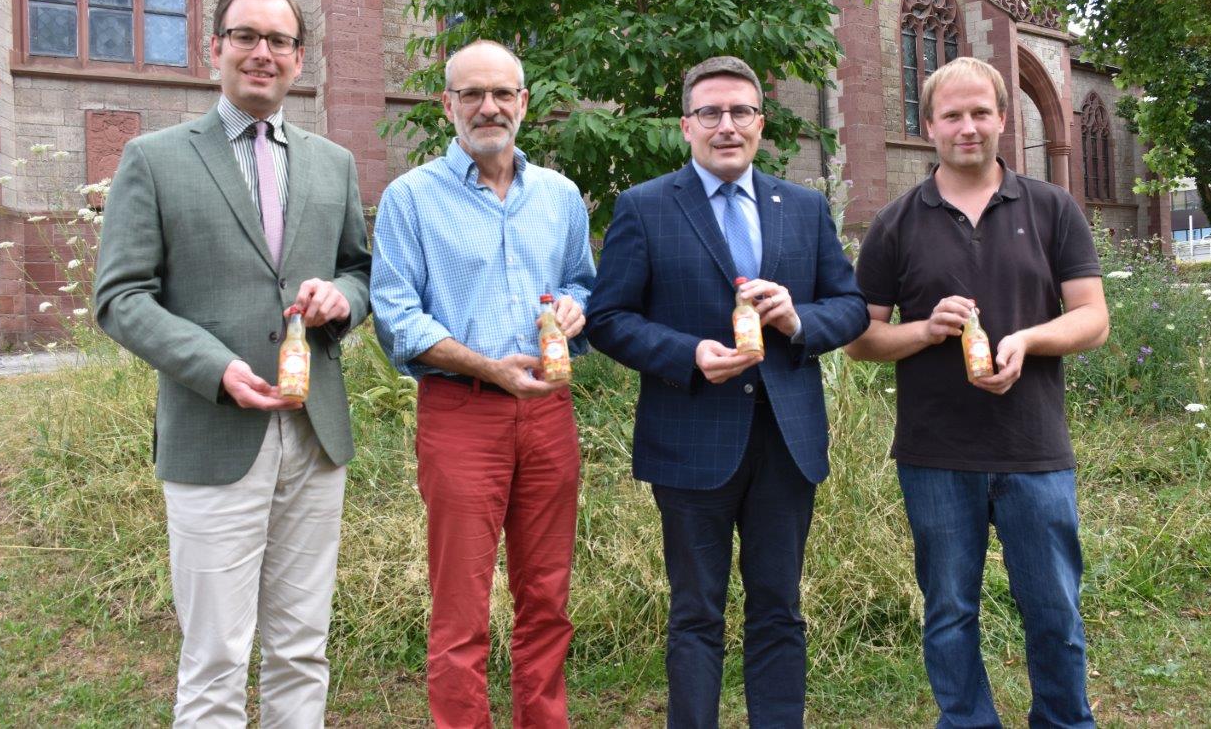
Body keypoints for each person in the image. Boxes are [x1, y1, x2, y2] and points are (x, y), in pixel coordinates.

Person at [94, 0, 371, 727]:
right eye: (246, 36)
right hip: (212, 434)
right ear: (213, 48)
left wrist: (343, 299)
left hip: (315, 434)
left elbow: (359, 267)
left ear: (298, 58)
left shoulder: (333, 163)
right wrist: (212, 366)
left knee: (303, 646)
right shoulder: (154, 159)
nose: (262, 53)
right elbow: (118, 297)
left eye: (279, 40)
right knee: (216, 654)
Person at [585, 56, 869, 727]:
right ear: (686, 126)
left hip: (785, 438)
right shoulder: (645, 206)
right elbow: (607, 318)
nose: (726, 125)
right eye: (710, 113)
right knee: (695, 613)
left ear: (760, 123)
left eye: (740, 111)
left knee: (778, 606)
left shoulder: (802, 207)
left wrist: (799, 319)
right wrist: (686, 354)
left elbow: (851, 305)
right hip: (689, 440)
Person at [844, 56, 1109, 728]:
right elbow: (862, 339)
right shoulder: (896, 222)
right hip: (936, 452)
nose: (968, 127)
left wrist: (1027, 341)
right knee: (950, 611)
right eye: (953, 115)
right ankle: (967, 721)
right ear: (928, 123)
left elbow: (1093, 318)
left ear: (1002, 119)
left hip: (1034, 446)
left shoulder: (1051, 207)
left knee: (1054, 608)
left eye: (981, 112)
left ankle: (1064, 720)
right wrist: (927, 331)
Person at [370, 40, 595, 728]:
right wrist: (487, 365)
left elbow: (583, 279)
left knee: (547, 599)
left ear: (524, 103)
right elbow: (396, 315)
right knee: (461, 609)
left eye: (502, 93)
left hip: (549, 414)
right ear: (448, 105)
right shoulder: (410, 198)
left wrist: (576, 306)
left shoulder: (558, 197)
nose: (488, 107)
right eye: (472, 94)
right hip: (461, 412)